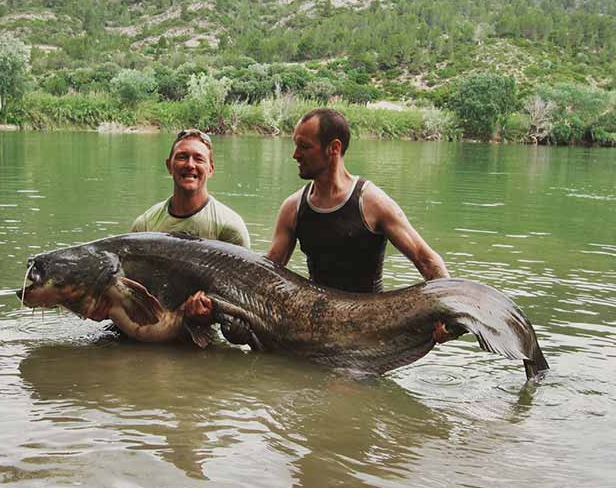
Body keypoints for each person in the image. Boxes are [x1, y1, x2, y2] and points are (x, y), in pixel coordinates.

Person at [265, 108, 454, 344]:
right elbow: (267, 273)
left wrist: (449, 315)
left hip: (371, 330)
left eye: (304, 146)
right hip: (317, 326)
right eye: (295, 145)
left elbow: (426, 259)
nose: (295, 155)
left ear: (334, 148)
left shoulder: (372, 202)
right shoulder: (293, 207)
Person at [131, 128, 250, 322]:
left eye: (199, 159)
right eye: (182, 157)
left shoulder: (230, 227)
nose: (190, 165)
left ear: (211, 168)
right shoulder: (144, 225)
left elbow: (243, 303)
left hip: (203, 333)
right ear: (169, 166)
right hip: (149, 326)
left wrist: (210, 312)